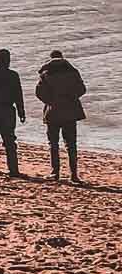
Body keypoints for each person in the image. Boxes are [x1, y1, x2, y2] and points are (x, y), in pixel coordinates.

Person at [35, 50, 87, 183]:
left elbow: (39, 92)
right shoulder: (73, 72)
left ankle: (55, 173)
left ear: (51, 58)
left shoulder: (46, 73)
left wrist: (50, 101)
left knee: (53, 144)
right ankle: (74, 175)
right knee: (71, 144)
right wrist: (71, 97)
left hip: (53, 112)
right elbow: (82, 89)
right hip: (70, 112)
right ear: (62, 58)